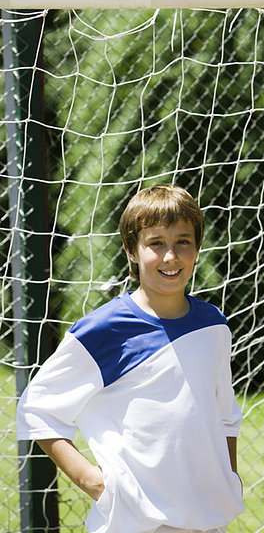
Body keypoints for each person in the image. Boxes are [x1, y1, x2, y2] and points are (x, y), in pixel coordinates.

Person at [16, 184, 245, 533]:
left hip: (206, 521)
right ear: (131, 250)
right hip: (133, 521)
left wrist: (229, 483)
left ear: (197, 249)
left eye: (183, 241)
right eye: (156, 243)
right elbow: (37, 408)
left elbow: (226, 416)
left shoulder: (214, 325)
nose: (171, 256)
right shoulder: (104, 330)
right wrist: (97, 485)